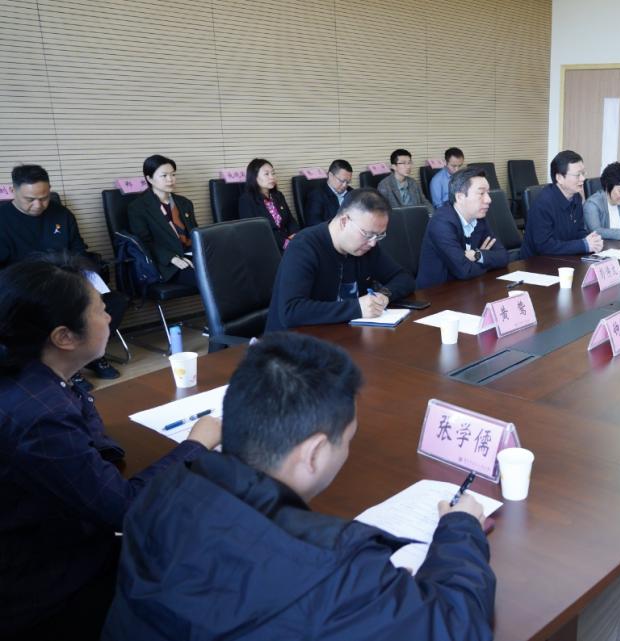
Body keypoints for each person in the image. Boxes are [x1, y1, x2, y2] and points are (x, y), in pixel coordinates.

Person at [102, 332, 495, 639]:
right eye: (348, 439)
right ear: (314, 453)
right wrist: (461, 530)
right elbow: (457, 627)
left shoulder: (161, 490)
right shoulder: (333, 571)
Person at [0, 257, 221, 641]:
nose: (109, 316)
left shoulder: (36, 374)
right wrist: (196, 443)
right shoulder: (40, 415)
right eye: (101, 310)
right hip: (45, 585)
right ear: (64, 337)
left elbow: (88, 427)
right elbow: (124, 509)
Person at [1, 164, 126, 383]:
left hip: (66, 281)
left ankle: (89, 354)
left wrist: (86, 277)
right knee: (52, 313)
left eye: (44, 197)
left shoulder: (61, 214)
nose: (38, 205)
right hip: (27, 288)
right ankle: (65, 366)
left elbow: (78, 251)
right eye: (30, 199)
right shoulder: (3, 219)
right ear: (13, 191)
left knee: (114, 302)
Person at [265, 189, 415, 331]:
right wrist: (356, 308)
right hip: (292, 342)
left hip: (344, 335)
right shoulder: (304, 246)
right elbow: (291, 311)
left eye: (379, 235)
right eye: (368, 234)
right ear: (344, 221)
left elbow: (404, 278)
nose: (373, 243)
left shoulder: (367, 247)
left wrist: (384, 295)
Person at [417, 168, 509, 289]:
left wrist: (477, 255)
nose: (489, 199)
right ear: (460, 197)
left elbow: (503, 256)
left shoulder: (479, 218)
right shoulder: (441, 223)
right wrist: (486, 259)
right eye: (481, 193)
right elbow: (465, 270)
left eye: (488, 193)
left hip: (469, 288)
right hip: (437, 293)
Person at [128, 154, 199, 288]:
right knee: (209, 279)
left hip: (193, 255)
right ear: (149, 179)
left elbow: (195, 232)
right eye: (164, 176)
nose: (170, 179)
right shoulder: (138, 208)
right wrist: (172, 258)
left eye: (173, 174)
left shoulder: (184, 203)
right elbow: (144, 242)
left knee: (229, 269)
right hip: (168, 263)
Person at [519, 150, 603, 258]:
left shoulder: (576, 197)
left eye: (583, 173)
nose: (583, 179)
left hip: (564, 258)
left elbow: (579, 231)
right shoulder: (543, 204)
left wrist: (591, 241)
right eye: (578, 175)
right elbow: (544, 246)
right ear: (559, 178)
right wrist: (583, 245)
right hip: (536, 262)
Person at [238, 158, 300, 252]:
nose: (272, 177)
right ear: (254, 177)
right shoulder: (246, 200)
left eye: (273, 173)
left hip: (289, 242)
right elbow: (254, 231)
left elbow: (290, 220)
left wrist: (295, 235)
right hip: (267, 247)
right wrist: (284, 242)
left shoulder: (278, 195)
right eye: (266, 174)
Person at [377, 148, 434, 215]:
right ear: (394, 166)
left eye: (409, 163)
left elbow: (424, 202)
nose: (408, 166)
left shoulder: (413, 183)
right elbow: (383, 211)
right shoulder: (384, 185)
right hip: (397, 219)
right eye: (403, 163)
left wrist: (432, 215)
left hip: (416, 217)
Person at [304, 159, 354, 227]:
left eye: (348, 182)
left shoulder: (352, 193)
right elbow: (314, 224)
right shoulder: (316, 196)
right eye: (342, 181)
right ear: (330, 175)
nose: (345, 185)